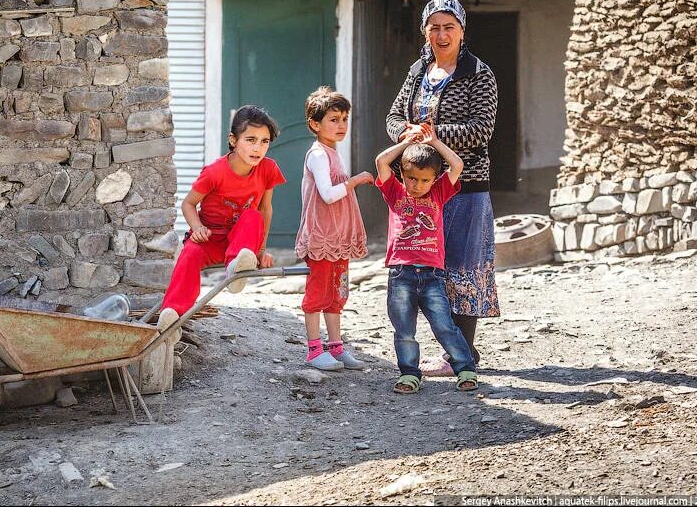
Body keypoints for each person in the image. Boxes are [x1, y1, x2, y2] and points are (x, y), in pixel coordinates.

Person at [385, 0, 500, 377]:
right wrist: (408, 132)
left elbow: (481, 129)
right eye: (434, 26)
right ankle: (450, 352)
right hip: (419, 189)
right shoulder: (419, 70)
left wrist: (433, 136)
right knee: (430, 268)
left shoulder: (478, 74)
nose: (441, 33)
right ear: (425, 31)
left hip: (464, 185)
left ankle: (462, 355)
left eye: (449, 26)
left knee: (464, 266)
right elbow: (393, 116)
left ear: (462, 30)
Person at [156, 105, 286, 329]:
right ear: (233, 140)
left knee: (253, 216)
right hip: (210, 238)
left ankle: (238, 266)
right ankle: (172, 316)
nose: (258, 148)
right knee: (189, 255)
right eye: (251, 139)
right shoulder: (214, 172)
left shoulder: (268, 169)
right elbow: (189, 204)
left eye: (264, 141)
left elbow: (266, 209)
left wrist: (261, 251)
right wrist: (197, 228)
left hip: (240, 243)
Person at [374, 131, 478, 393]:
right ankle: (410, 373)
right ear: (402, 175)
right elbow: (381, 162)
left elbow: (457, 165)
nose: (418, 185)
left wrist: (433, 142)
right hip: (401, 274)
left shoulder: (440, 193)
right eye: (412, 178)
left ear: (434, 180)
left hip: (432, 276)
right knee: (404, 330)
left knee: (444, 326)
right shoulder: (395, 193)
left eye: (424, 180)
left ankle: (465, 368)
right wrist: (408, 143)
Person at [294, 87, 374, 371]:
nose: (341, 125)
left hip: (338, 237)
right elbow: (328, 195)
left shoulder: (333, 152)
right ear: (315, 124)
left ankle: (336, 347)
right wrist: (355, 181)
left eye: (344, 119)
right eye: (333, 119)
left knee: (337, 292)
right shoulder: (317, 154)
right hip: (321, 236)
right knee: (318, 293)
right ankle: (314, 350)